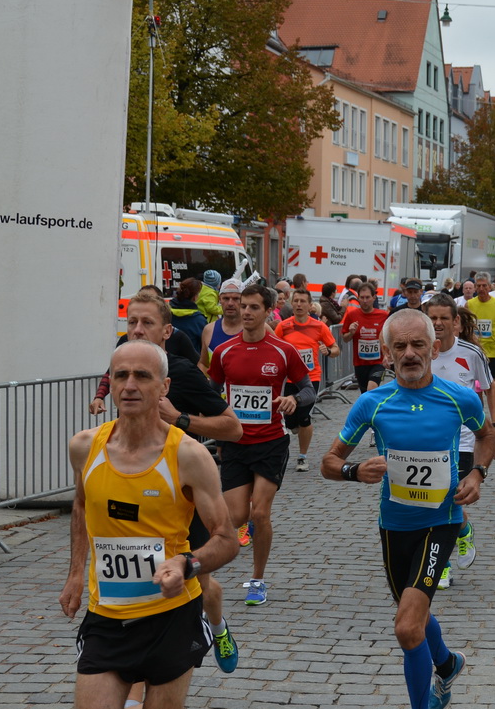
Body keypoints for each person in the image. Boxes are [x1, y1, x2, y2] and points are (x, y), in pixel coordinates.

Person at [60, 341, 238, 709]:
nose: (130, 385)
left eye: (142, 376)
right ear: (109, 384)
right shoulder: (84, 446)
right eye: (120, 376)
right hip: (108, 615)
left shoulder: (188, 455)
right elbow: (82, 508)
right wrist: (74, 572)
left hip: (171, 614)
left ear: (164, 388)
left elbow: (228, 539)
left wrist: (187, 563)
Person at [323, 310, 495, 709]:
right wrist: (354, 470)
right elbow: (329, 459)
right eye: (399, 347)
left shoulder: (459, 399)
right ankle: (446, 664)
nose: (410, 354)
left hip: (441, 522)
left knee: (405, 627)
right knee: (413, 619)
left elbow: (487, 436)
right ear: (386, 354)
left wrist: (478, 472)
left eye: (418, 345)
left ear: (434, 347)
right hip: (393, 526)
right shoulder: (372, 405)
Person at [96, 294, 246, 669]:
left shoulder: (182, 371)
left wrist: (180, 419)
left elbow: (233, 427)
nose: (136, 330)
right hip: (132, 498)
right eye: (131, 322)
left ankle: (218, 627)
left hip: (181, 496)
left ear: (166, 331)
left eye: (146, 323)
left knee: (203, 585)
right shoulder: (122, 361)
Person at [207, 283, 313, 605]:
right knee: (235, 515)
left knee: (260, 513)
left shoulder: (283, 350)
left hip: (271, 441)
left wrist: (294, 399)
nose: (247, 312)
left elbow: (309, 390)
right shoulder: (225, 353)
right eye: (244, 306)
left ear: (269, 311)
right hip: (237, 442)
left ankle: (257, 579)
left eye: (254, 307)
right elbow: (211, 393)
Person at [425, 294, 495, 587]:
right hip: (427, 441)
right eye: (432, 318)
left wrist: (494, 428)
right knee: (435, 502)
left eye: (444, 318)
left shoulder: (470, 353)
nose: (438, 323)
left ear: (456, 321)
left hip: (465, 441)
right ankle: (462, 533)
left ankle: (440, 564)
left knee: (445, 500)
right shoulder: (419, 353)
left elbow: (491, 389)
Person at [274, 287, 339, 471]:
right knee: (290, 421)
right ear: (291, 303)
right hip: (290, 379)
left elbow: (336, 349)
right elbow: (275, 348)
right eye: (296, 301)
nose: (299, 304)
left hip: (311, 378)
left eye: (303, 301)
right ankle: (294, 426)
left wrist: (328, 351)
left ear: (310, 305)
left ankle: (302, 457)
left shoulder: (319, 327)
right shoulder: (283, 326)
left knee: (304, 417)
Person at [463, 275, 495, 410]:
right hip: (475, 350)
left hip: (493, 350)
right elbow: (464, 325)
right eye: (478, 286)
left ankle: (494, 411)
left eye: (484, 285)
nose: (481, 288)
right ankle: (479, 412)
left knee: (492, 384)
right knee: (476, 387)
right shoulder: (469, 304)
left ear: (489, 286)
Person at [341, 280, 390, 393]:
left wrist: (388, 355)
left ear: (374, 297)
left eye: (368, 297)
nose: (365, 301)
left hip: (378, 362)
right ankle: (371, 410)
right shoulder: (352, 315)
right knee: (364, 393)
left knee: (372, 388)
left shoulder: (383, 316)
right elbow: (345, 338)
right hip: (360, 363)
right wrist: (351, 332)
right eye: (362, 297)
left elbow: (390, 337)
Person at [199, 277, 244, 370]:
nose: (230, 303)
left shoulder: (258, 328)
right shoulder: (209, 330)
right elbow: (203, 364)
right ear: (220, 300)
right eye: (226, 298)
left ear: (243, 300)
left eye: (236, 299)